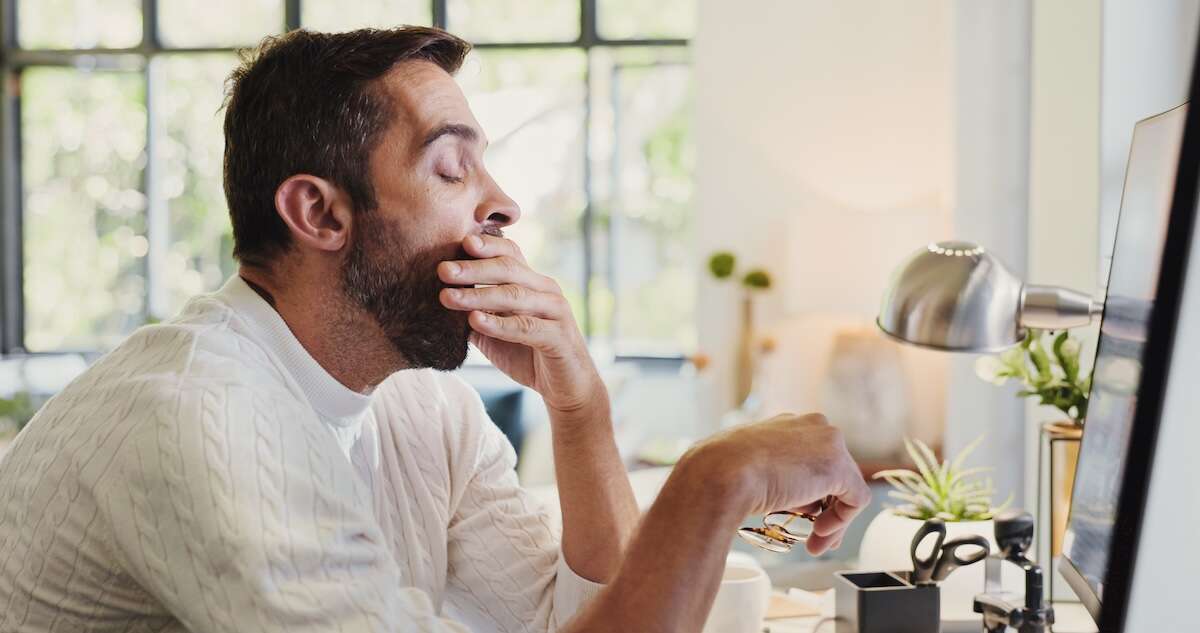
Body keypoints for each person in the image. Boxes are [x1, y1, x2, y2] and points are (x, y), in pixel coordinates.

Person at [0, 26, 870, 632]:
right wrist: (717, 478)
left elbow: (571, 622)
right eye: (452, 167)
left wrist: (581, 408)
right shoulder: (203, 416)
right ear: (320, 213)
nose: (503, 204)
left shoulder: (422, 407)